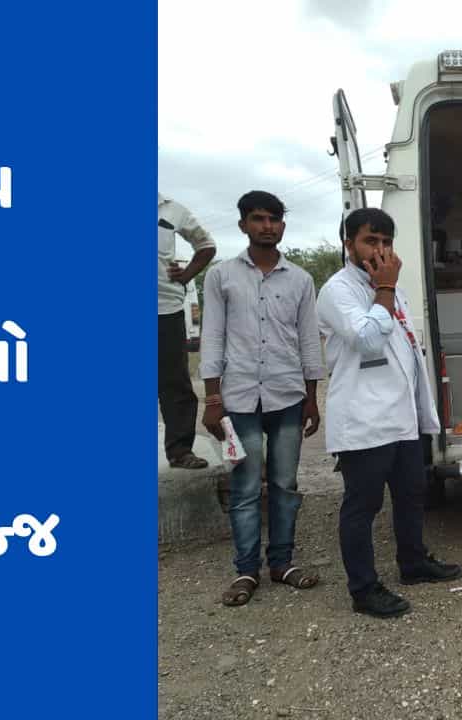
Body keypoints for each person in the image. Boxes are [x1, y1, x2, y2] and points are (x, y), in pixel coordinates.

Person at [317, 207, 462, 618]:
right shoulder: (338, 290)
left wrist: (386, 287)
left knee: (411, 495)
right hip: (363, 419)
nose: (380, 250)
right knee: (362, 507)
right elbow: (367, 340)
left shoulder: (390, 288)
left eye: (386, 242)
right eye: (370, 241)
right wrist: (384, 286)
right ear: (349, 244)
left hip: (401, 416)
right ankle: (364, 589)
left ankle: (413, 563)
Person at [199, 191, 325, 607]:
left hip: (287, 396)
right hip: (238, 400)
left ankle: (282, 564)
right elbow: (212, 336)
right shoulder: (221, 276)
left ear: (282, 226)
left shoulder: (300, 280)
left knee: (286, 484)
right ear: (243, 225)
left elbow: (309, 340)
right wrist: (212, 399)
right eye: (258, 219)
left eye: (274, 219)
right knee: (246, 487)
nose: (267, 226)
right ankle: (246, 571)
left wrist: (312, 397)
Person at [159, 193, 216, 469]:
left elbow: (206, 245)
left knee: (175, 383)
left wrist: (186, 274)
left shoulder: (171, 209)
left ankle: (180, 451)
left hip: (164, 308)